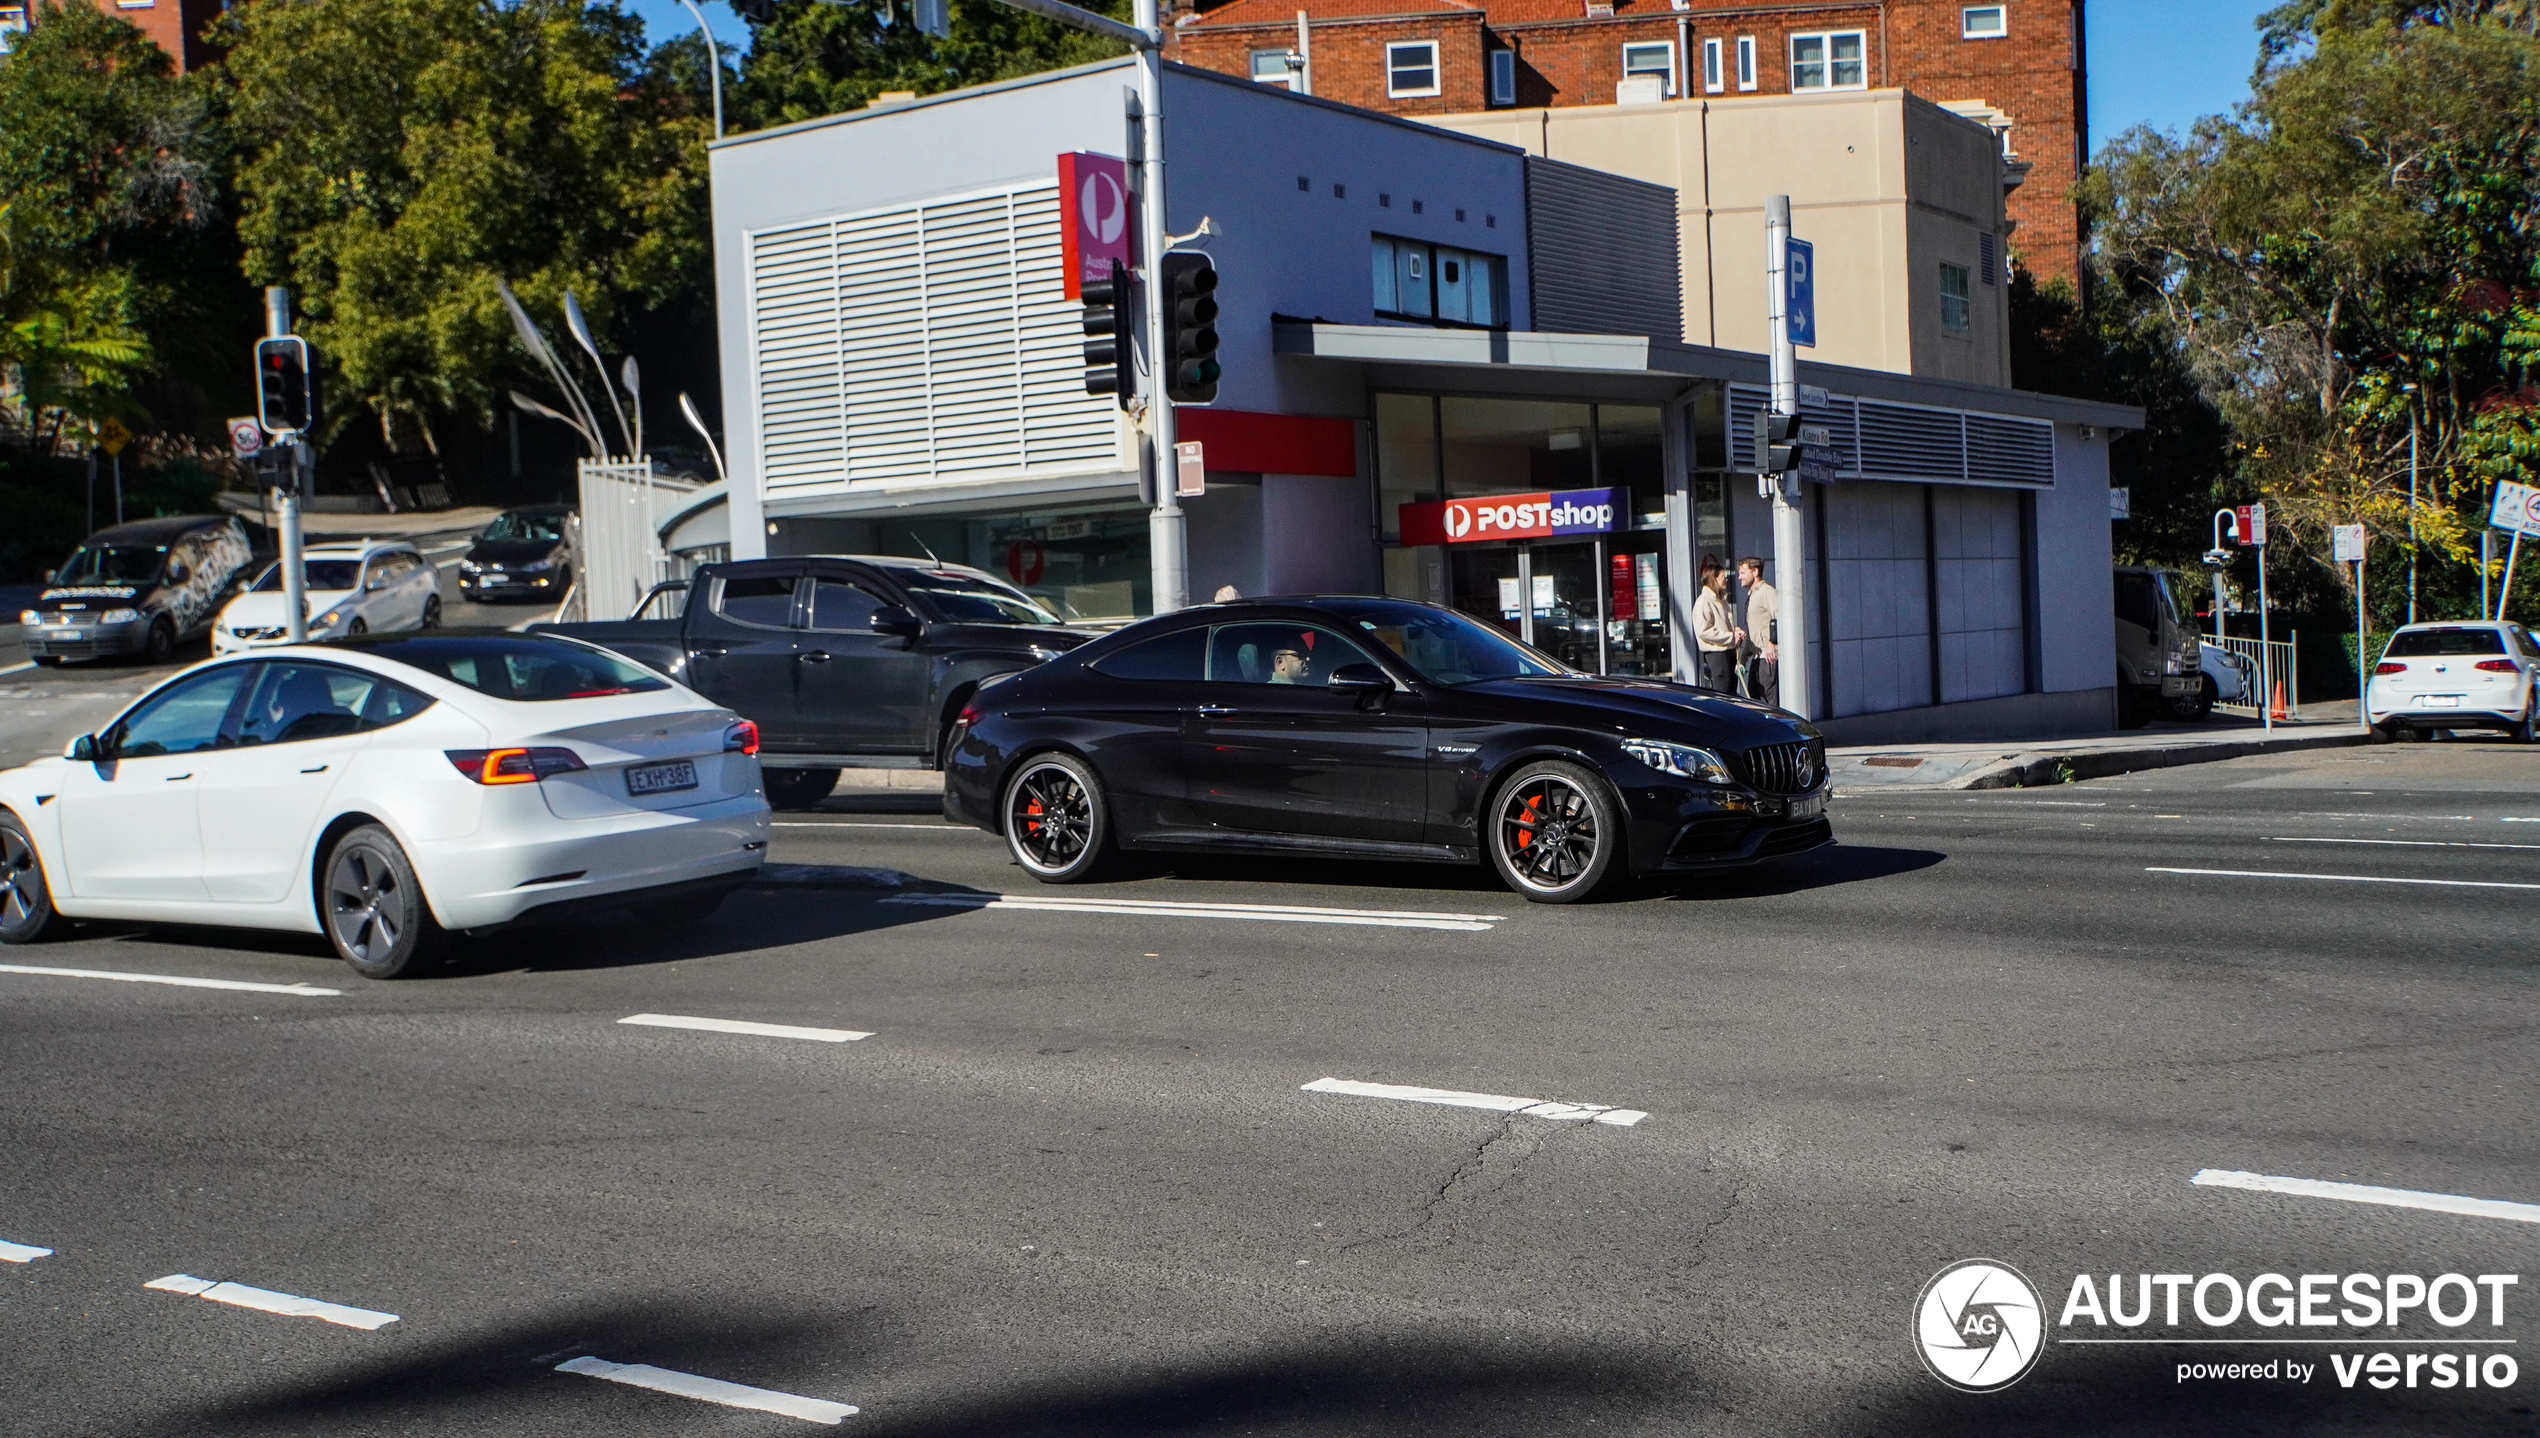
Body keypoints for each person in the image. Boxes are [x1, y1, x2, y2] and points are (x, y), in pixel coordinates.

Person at [1692, 559, 1742, 693]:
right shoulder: (1704, 601)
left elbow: (1724, 625)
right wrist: (1730, 636)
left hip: (1728, 651)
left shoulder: (1721, 600)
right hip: (1717, 653)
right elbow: (1704, 631)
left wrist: (1735, 632)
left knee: (1732, 695)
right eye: (1722, 577)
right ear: (1713, 578)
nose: (1726, 580)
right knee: (1723, 694)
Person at [1737, 556, 1779, 707]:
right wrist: (1742, 659)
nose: (1739, 577)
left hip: (1768, 658)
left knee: (1769, 704)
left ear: (1755, 572)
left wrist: (1772, 642)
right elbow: (1753, 631)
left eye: (1742, 572)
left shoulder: (1768, 592)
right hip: (1756, 659)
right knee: (1754, 703)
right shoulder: (1752, 595)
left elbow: (1780, 618)